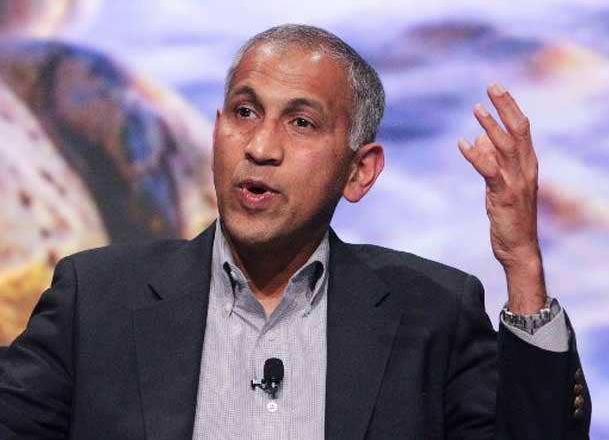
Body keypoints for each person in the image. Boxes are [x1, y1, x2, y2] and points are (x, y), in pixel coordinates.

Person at [0, 24, 591, 440]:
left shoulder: (434, 313)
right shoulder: (96, 299)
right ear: (215, 132)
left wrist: (522, 264)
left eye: (301, 122)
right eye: (244, 113)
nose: (260, 147)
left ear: (359, 172)